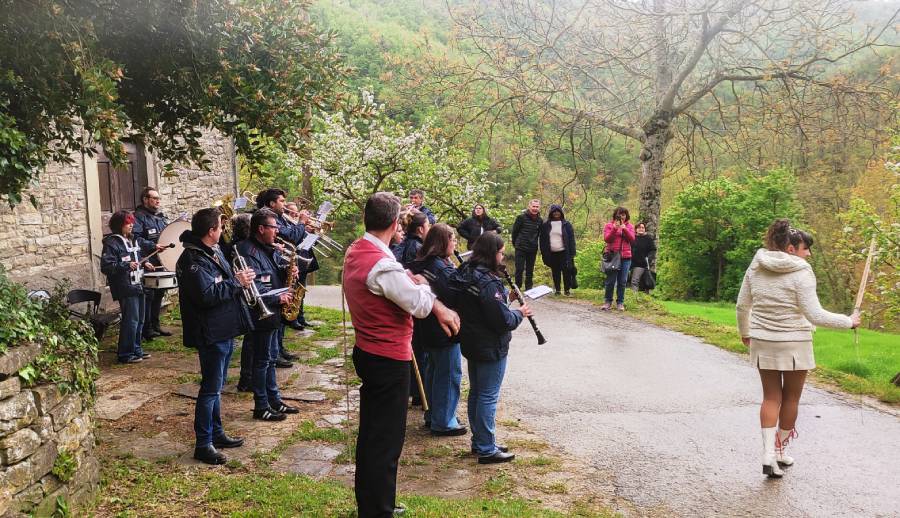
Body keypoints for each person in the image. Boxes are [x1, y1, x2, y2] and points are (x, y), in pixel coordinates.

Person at [343, 192, 460, 518]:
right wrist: (426, 291)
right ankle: (377, 511)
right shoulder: (380, 264)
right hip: (387, 359)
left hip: (369, 351)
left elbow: (393, 281)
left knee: (374, 435)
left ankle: (376, 502)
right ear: (394, 224)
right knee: (385, 441)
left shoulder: (358, 249)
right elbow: (419, 304)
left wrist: (409, 280)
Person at [736, 218, 860, 479]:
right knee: (791, 399)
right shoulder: (802, 271)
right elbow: (814, 314)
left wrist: (746, 333)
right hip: (795, 341)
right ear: (791, 249)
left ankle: (769, 455)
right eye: (806, 249)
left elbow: (742, 305)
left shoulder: (755, 266)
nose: (809, 254)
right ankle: (780, 450)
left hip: (763, 340)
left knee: (771, 398)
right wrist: (849, 321)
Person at [175, 208, 255, 465]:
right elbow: (207, 295)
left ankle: (217, 433)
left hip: (224, 327)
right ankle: (203, 443)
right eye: (221, 227)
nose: (223, 231)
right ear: (211, 231)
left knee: (217, 387)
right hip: (209, 331)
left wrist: (235, 279)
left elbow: (222, 281)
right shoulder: (192, 259)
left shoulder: (214, 250)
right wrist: (236, 282)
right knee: (210, 389)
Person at [452, 232, 531, 464]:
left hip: (472, 340)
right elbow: (502, 320)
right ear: (491, 253)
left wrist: (506, 298)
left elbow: (483, 307)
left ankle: (481, 441)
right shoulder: (488, 280)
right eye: (500, 252)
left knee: (477, 392)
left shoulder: (466, 272)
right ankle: (486, 448)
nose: (502, 256)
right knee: (487, 396)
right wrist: (520, 313)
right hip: (490, 344)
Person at [236, 208, 299, 421]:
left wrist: (287, 271)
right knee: (262, 361)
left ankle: (274, 400)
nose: (277, 231)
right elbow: (253, 286)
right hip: (260, 312)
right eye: (274, 227)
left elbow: (271, 275)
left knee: (271, 359)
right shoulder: (247, 251)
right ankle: (261, 405)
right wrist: (276, 298)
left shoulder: (267, 248)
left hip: (272, 313)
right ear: (261, 228)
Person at [407, 224, 465, 436]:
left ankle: (433, 414)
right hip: (444, 328)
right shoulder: (440, 268)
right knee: (449, 374)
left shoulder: (421, 262)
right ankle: (444, 421)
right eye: (453, 239)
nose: (455, 243)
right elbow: (455, 294)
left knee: (432, 371)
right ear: (443, 243)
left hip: (425, 328)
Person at [100, 211, 160, 364]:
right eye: (128, 223)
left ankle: (136, 349)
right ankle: (125, 353)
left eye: (132, 222)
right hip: (125, 287)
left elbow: (136, 256)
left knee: (140, 319)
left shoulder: (132, 239)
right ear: (120, 225)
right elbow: (107, 266)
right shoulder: (112, 243)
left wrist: (143, 262)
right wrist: (126, 265)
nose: (131, 225)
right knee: (131, 320)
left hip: (139, 284)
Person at [392, 209, 431, 406]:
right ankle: (418, 391)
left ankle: (415, 390)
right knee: (419, 348)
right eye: (428, 226)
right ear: (420, 229)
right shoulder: (416, 247)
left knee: (415, 347)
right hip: (413, 299)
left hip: (404, 299)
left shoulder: (404, 243)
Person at [132, 187, 171, 340]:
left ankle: (155, 325)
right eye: (154, 198)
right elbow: (135, 239)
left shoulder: (160, 217)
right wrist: (152, 248)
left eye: (158, 198)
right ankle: (146, 329)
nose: (157, 201)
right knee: (149, 294)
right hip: (146, 260)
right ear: (145, 199)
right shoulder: (138, 217)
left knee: (159, 293)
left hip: (160, 261)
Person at [601, 206, 635, 311]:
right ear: (615, 215)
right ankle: (608, 301)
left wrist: (624, 229)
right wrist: (615, 228)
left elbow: (632, 239)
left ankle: (620, 302)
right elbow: (607, 239)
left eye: (624, 215)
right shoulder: (609, 225)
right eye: (619, 214)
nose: (621, 217)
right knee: (610, 280)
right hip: (612, 256)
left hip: (625, 257)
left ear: (626, 216)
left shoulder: (629, 226)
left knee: (622, 281)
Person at [538, 204, 576, 296]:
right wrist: (543, 253)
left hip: (564, 252)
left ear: (561, 213)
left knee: (566, 271)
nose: (556, 213)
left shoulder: (566, 225)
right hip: (552, 253)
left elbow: (571, 239)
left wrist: (572, 253)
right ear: (551, 213)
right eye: (554, 212)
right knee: (555, 272)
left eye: (558, 211)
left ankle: (567, 290)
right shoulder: (546, 225)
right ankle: (557, 290)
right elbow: (542, 240)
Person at [510, 199, 542, 290]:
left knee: (530, 270)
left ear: (539, 208)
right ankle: (517, 287)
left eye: (537, 207)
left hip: (532, 248)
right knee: (519, 269)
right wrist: (516, 243)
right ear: (529, 206)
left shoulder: (540, 220)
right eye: (533, 206)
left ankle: (529, 288)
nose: (535, 208)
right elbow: (514, 232)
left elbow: (539, 234)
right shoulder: (521, 217)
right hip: (520, 247)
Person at [630, 221, 657, 293]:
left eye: (642, 227)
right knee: (626, 281)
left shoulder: (648, 239)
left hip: (641, 264)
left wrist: (648, 259)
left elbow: (653, 250)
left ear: (645, 229)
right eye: (639, 227)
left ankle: (634, 298)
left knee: (634, 281)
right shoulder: (632, 238)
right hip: (630, 263)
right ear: (636, 229)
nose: (641, 229)